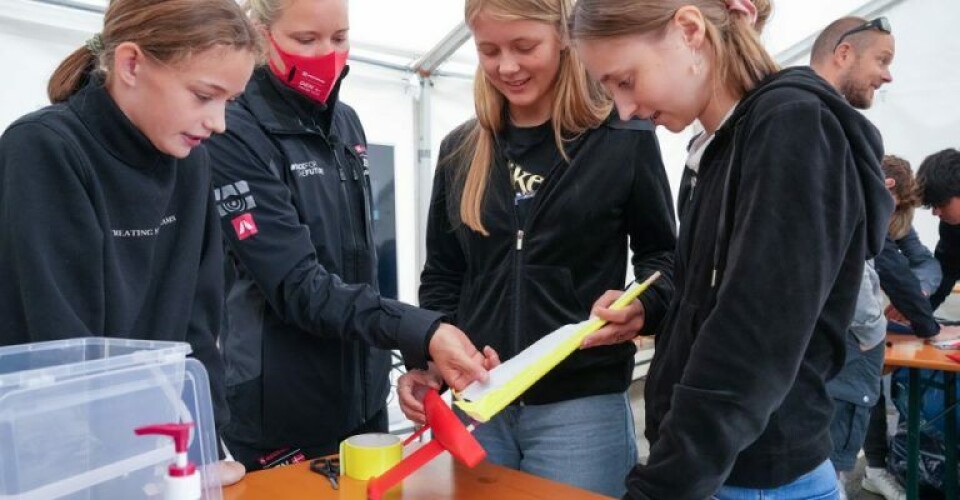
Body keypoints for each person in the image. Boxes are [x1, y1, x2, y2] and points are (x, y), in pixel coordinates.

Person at [571, 0, 894, 498]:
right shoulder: (717, 145)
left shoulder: (791, 124)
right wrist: (653, 310)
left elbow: (754, 337)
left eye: (626, 80)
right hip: (718, 465)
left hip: (753, 472)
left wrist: (662, 487)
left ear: (688, 30)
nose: (625, 109)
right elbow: (714, 285)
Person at [397, 0, 676, 496]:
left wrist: (644, 307)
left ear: (564, 37)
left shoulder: (623, 135)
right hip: (477, 404)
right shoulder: (460, 149)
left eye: (525, 47)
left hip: (581, 410)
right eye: (488, 50)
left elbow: (665, 259)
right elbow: (442, 274)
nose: (507, 66)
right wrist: (428, 360)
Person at [204, 0, 496, 471]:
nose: (327, 53)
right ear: (260, 34)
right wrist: (423, 328)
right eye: (306, 40)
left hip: (363, 403)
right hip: (279, 413)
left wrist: (412, 357)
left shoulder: (347, 124)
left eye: (339, 38)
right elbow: (298, 284)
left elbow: (360, 271)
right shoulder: (233, 130)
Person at [0, 0, 260, 485]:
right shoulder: (44, 149)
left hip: (154, 457)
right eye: (204, 95)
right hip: (65, 465)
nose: (219, 122)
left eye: (229, 101)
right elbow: (58, 345)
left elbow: (200, 329)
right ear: (131, 64)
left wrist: (203, 445)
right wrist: (118, 475)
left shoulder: (191, 162)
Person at [807, 17, 901, 499]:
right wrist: (871, 328)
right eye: (881, 60)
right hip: (816, 363)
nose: (888, 77)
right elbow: (851, 257)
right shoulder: (823, 131)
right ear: (843, 53)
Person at [918, 148, 960, 312]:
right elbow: (946, 273)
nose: (935, 212)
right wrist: (919, 310)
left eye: (940, 203)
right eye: (932, 205)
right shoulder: (951, 226)